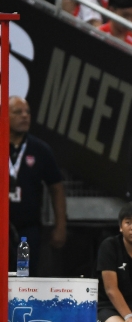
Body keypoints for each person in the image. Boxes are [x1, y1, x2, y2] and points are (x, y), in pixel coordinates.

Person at [7, 97, 66, 275]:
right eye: (18, 112)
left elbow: (56, 188)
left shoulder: (40, 150)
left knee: (23, 274)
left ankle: (22, 303)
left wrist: (60, 225)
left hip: (27, 229)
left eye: (28, 112)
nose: (25, 116)